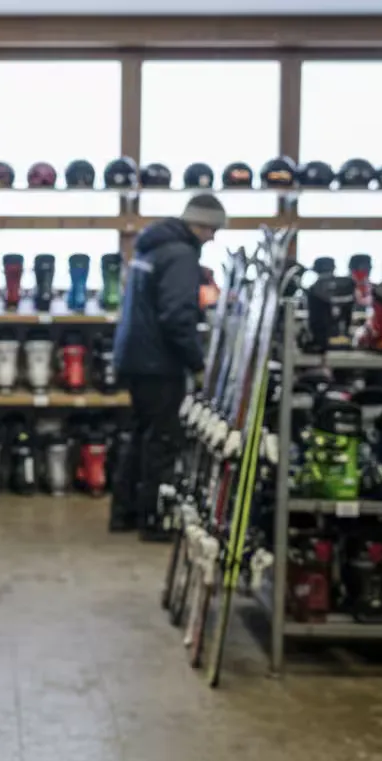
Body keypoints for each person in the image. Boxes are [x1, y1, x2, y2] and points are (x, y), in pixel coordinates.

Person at [110, 193, 226, 539]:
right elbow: (177, 316)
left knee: (141, 436)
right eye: (212, 230)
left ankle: (125, 513)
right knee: (162, 440)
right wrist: (196, 361)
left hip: (134, 355)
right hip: (159, 361)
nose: (213, 238)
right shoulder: (181, 254)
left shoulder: (152, 246)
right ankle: (154, 519)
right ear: (199, 225)